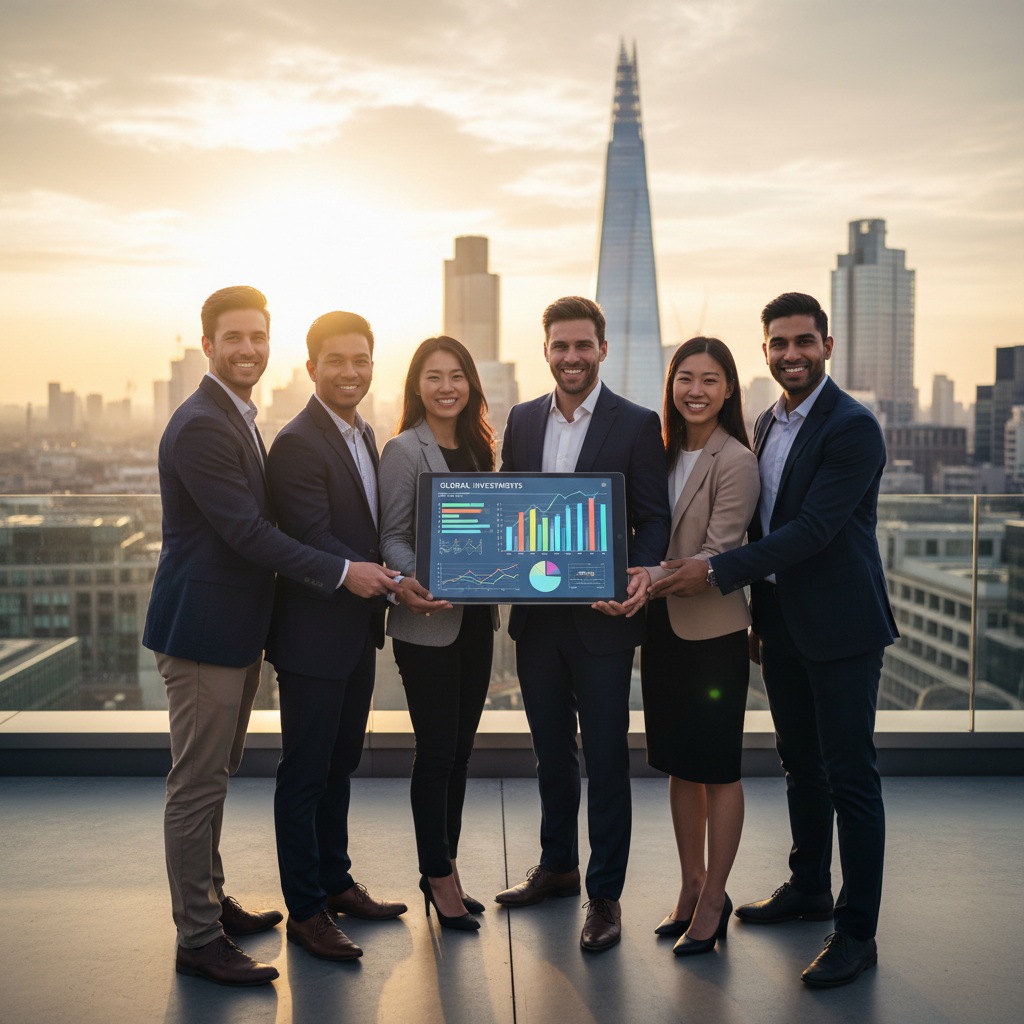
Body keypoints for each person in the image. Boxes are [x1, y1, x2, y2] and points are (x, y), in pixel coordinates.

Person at [143, 287, 394, 986]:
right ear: (209, 345)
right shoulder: (202, 424)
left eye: (258, 336)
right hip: (202, 631)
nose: (248, 349)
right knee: (196, 787)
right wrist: (347, 573)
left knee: (213, 778)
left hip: (235, 629)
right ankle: (197, 937)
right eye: (235, 338)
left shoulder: (235, 417)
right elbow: (250, 533)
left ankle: (210, 903)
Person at [664, 292, 898, 987]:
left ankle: (856, 933)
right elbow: (763, 525)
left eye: (804, 341)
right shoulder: (766, 423)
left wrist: (712, 571)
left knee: (852, 777)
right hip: (784, 626)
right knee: (801, 763)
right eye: (779, 343)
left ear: (827, 344)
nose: (792, 353)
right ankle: (808, 886)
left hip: (843, 625)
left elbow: (813, 532)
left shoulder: (853, 427)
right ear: (764, 351)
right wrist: (755, 614)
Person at [494, 296, 671, 952]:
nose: (571, 357)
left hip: (602, 619)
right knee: (550, 755)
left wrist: (641, 572)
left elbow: (654, 517)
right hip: (537, 619)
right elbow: (509, 503)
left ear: (601, 350)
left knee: (604, 757)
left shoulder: (635, 423)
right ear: (546, 351)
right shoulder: (520, 420)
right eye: (560, 346)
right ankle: (558, 867)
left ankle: (604, 895)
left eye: (582, 346)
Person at [264, 311, 407, 963]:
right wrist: (376, 576)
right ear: (311, 367)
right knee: (305, 774)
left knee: (340, 765)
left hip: (355, 635)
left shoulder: (363, 431)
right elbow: (312, 538)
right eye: (337, 361)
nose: (350, 372)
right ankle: (306, 911)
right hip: (314, 636)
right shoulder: (298, 442)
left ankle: (336, 881)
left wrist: (395, 574)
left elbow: (367, 530)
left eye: (361, 360)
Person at [640, 337, 760, 956]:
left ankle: (716, 896)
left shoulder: (735, 458)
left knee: (718, 768)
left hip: (711, 633)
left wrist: (641, 580)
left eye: (709, 380)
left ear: (729, 388)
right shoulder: (659, 454)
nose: (695, 390)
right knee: (680, 764)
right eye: (685, 378)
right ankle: (690, 886)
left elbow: (716, 554)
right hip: (662, 630)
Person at [378, 336, 500, 932]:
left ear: (471, 383)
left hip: (477, 619)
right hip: (427, 620)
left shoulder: (480, 448)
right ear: (416, 385)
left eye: (457, 375)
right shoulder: (404, 449)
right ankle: (440, 877)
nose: (446, 386)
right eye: (434, 376)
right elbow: (391, 537)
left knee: (462, 753)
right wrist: (418, 579)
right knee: (436, 754)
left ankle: (442, 866)